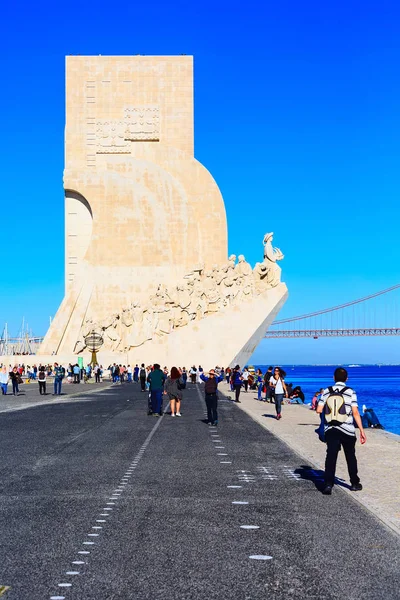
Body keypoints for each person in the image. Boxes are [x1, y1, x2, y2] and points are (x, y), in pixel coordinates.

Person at [316, 367, 366, 495]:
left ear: (334, 378)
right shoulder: (350, 392)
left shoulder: (327, 391)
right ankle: (354, 483)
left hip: (331, 429)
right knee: (350, 455)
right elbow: (355, 412)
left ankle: (328, 484)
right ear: (346, 379)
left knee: (331, 456)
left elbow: (319, 410)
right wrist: (361, 430)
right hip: (347, 429)